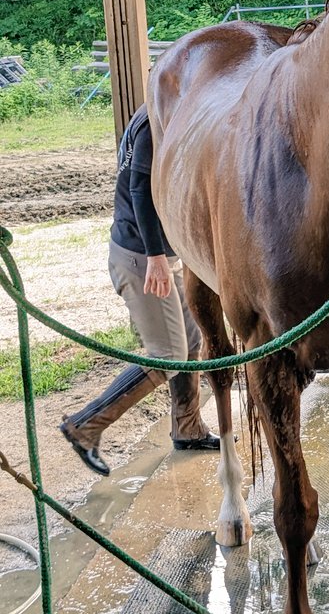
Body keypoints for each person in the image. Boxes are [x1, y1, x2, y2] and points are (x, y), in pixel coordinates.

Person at [60, 103, 220, 476]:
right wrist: (155, 257)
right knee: (168, 354)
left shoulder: (161, 110)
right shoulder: (153, 122)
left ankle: (188, 427)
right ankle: (85, 426)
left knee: (191, 341)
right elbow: (138, 187)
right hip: (140, 257)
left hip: (156, 253)